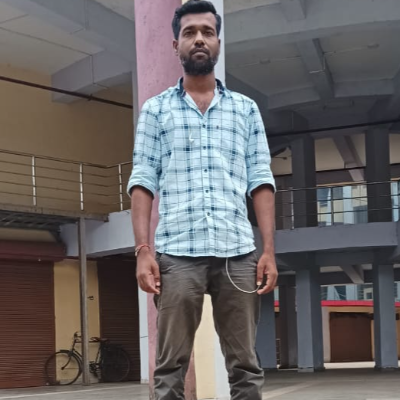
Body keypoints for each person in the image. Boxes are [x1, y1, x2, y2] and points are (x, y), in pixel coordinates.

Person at [127, 1, 277, 399]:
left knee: (245, 367)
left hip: (237, 253)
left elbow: (261, 180)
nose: (199, 39)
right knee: (169, 369)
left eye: (207, 32)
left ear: (218, 43)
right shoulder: (156, 110)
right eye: (190, 32)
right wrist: (143, 250)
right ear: (175, 44)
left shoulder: (245, 110)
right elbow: (142, 181)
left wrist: (268, 250)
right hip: (177, 254)